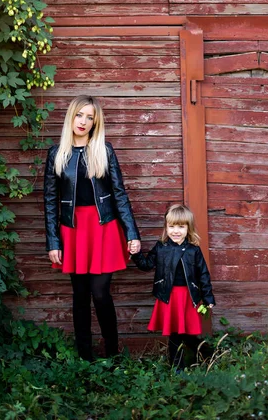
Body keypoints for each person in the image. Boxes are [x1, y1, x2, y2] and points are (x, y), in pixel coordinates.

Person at [44, 95, 141, 361]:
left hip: (103, 228)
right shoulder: (57, 154)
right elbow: (50, 201)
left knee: (99, 293)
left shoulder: (104, 150)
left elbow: (119, 194)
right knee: (80, 295)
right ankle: (85, 358)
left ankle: (112, 355)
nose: (84, 122)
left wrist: (132, 233)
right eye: (80, 115)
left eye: (90, 117)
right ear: (71, 117)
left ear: (95, 122)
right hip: (73, 230)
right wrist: (53, 241)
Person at [132, 204, 215, 369]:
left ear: (188, 228)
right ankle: (178, 366)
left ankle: (205, 352)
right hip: (168, 296)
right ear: (166, 227)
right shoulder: (161, 247)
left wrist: (207, 297)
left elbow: (203, 275)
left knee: (185, 333)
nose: (176, 231)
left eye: (181, 227)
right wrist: (136, 253)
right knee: (174, 333)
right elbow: (147, 265)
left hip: (187, 297)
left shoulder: (193, 250)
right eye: (172, 226)